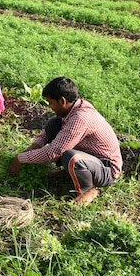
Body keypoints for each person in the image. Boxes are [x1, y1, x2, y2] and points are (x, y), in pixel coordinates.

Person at [8, 77, 122, 205]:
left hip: (106, 168)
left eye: (50, 102)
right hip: (90, 158)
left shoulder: (80, 118)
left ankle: (89, 190)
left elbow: (52, 153)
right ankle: (70, 171)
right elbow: (46, 134)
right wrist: (33, 147)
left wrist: (20, 158)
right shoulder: (72, 109)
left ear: (62, 101)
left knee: (71, 157)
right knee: (53, 124)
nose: (49, 107)